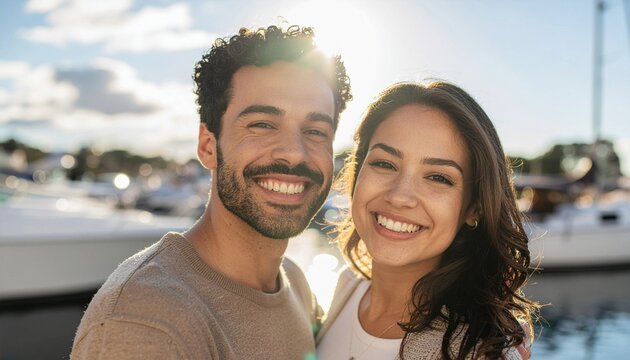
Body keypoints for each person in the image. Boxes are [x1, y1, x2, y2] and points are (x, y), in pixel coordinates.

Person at [71, 25, 351, 359]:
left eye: (316, 130)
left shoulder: (294, 282)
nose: (294, 152)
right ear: (207, 146)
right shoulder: (145, 320)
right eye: (262, 124)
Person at [316, 82, 537, 359]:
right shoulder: (346, 288)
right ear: (358, 173)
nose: (400, 196)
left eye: (438, 177)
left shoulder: (481, 351)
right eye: (384, 164)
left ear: (475, 208)